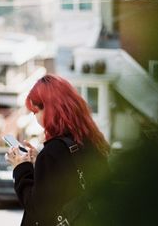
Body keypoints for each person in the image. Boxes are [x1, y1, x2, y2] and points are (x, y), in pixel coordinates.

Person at [6, 74, 110, 226]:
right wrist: (39, 162)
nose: (35, 117)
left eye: (35, 112)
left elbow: (38, 211)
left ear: (49, 110)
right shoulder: (91, 141)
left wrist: (21, 168)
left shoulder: (53, 152)